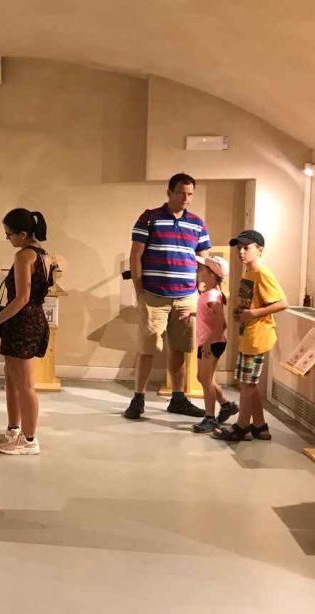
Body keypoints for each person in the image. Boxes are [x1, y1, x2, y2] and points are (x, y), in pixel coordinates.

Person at [123, 173, 211, 420]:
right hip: (154, 295)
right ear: (169, 193)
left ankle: (178, 398)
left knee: (180, 348)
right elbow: (136, 256)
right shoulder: (150, 218)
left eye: (190, 194)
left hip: (186, 296)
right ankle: (138, 398)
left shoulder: (197, 223)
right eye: (181, 193)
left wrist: (201, 286)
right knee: (147, 347)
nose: (186, 198)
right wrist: (139, 291)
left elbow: (204, 258)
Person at [0, 209, 55, 456]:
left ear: (22, 234)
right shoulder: (44, 255)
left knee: (25, 384)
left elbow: (22, 298)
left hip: (23, 322)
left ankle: (29, 440)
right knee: (12, 380)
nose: (7, 238)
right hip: (30, 319)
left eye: (9, 234)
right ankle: (14, 430)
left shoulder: (24, 256)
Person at [213, 230, 287, 441]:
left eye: (246, 248)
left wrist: (253, 314)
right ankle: (260, 426)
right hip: (248, 334)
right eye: (239, 248)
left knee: (247, 384)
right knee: (249, 383)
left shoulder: (262, 273)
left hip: (257, 336)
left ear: (260, 249)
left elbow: (282, 303)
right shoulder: (249, 273)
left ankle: (242, 426)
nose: (241, 252)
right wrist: (241, 312)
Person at [191, 255, 238, 433]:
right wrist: (192, 314)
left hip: (212, 343)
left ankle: (210, 418)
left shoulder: (213, 297)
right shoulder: (208, 294)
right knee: (203, 377)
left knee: (205, 379)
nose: (199, 270)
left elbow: (221, 324)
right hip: (206, 342)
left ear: (212, 275)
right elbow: (208, 317)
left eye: (202, 269)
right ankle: (226, 405)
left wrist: (209, 343)